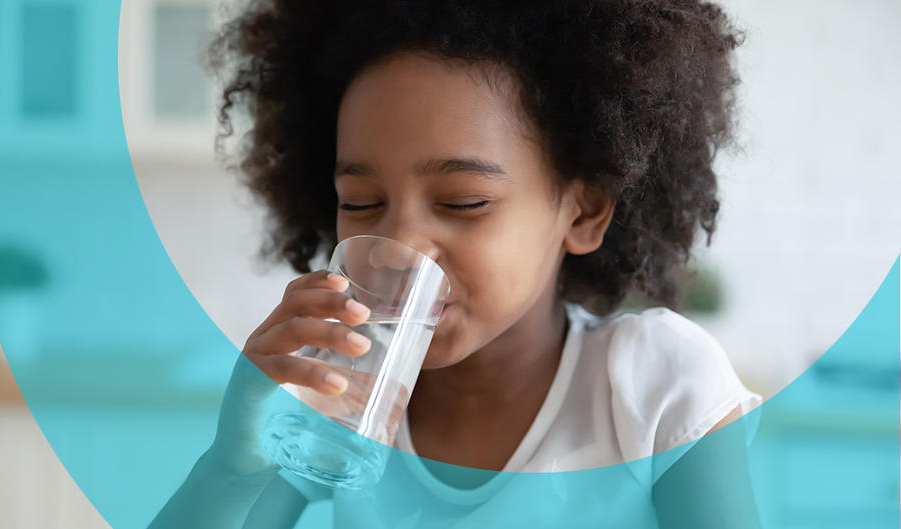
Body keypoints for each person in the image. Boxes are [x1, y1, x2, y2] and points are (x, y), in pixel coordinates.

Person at [150, 1, 764, 527]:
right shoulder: (346, 399)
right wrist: (230, 466)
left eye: (463, 203)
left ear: (584, 214)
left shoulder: (658, 384)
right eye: (361, 203)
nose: (402, 244)